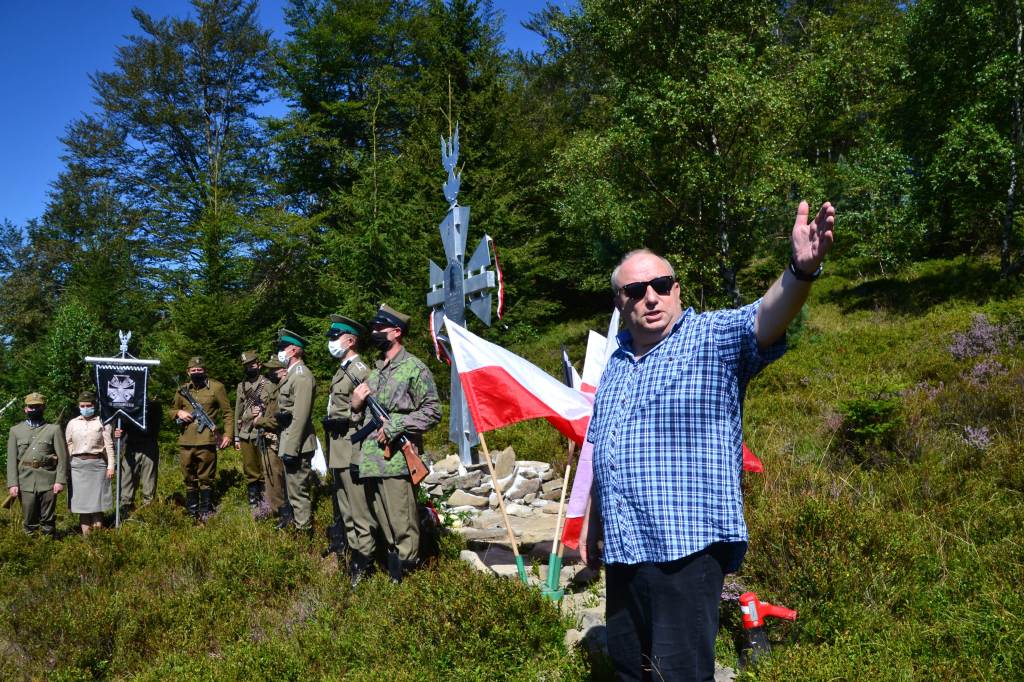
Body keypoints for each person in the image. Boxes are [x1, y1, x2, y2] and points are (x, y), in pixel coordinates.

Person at [583, 201, 835, 681]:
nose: (651, 297)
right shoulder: (615, 364)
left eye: (661, 285)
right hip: (625, 548)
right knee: (629, 668)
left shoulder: (710, 337)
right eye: (635, 290)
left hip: (686, 546)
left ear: (676, 289)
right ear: (619, 302)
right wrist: (592, 524)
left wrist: (801, 271)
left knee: (679, 673)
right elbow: (605, 448)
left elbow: (764, 318)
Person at [351, 304, 441, 583]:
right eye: (374, 328)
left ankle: (408, 578)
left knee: (403, 523)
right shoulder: (375, 371)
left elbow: (433, 411)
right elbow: (365, 417)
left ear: (396, 332)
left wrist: (397, 424)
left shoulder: (414, 368)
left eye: (380, 328)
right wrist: (356, 405)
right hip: (372, 461)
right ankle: (395, 575)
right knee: (385, 523)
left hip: (398, 460)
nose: (375, 332)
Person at [321, 314, 372, 581]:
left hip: (352, 447)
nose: (331, 342)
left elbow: (369, 416)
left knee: (358, 509)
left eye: (335, 337)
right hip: (337, 448)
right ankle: (354, 555)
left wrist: (350, 415)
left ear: (350, 341)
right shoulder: (342, 370)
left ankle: (365, 559)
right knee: (345, 508)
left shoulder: (360, 370)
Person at [169, 356, 233, 518]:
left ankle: (205, 513)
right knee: (188, 478)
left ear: (205, 371)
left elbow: (227, 413)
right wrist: (178, 412)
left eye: (200, 369)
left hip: (206, 440)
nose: (196, 372)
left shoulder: (217, 388)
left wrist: (228, 434)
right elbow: (171, 410)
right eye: (193, 370)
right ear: (188, 372)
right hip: (186, 441)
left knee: (206, 479)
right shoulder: (182, 390)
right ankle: (192, 513)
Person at [5, 392, 68, 536]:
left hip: (48, 479)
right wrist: (13, 484)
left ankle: (48, 544)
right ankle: (30, 544)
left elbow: (62, 458)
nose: (34, 409)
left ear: (43, 408)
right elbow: (12, 460)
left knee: (48, 519)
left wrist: (59, 481)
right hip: (25, 480)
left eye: (37, 407)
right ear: (25, 409)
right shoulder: (15, 431)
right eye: (31, 407)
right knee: (29, 518)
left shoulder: (54, 429)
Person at [275, 329, 318, 533]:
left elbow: (300, 417)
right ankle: (299, 527)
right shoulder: (291, 374)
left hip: (298, 444)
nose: (279, 353)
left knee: (298, 493)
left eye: (282, 348)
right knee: (292, 491)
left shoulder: (301, 376)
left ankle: (304, 534)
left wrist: (291, 449)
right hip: (289, 440)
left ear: (293, 350)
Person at [65, 391, 115, 535]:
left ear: (94, 405)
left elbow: (109, 445)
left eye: (88, 405)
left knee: (97, 504)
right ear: (79, 406)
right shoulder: (72, 423)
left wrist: (111, 466)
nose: (85, 408)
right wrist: (70, 462)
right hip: (78, 467)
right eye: (82, 406)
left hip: (98, 465)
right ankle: (86, 538)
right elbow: (68, 443)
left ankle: (97, 537)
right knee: (82, 505)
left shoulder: (103, 422)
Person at [253, 355, 290, 522]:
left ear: (282, 370)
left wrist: (259, 421)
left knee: (276, 478)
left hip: (276, 439)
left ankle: (281, 514)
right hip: (269, 439)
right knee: (270, 478)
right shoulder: (275, 387)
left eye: (273, 370)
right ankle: (277, 512)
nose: (270, 373)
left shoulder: (284, 388)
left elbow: (278, 419)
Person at [234, 350, 271, 510]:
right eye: (247, 366)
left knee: (264, 467)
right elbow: (237, 412)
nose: (250, 368)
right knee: (249, 467)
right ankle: (253, 500)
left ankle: (265, 500)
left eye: (252, 365)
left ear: (259, 365)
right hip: (246, 433)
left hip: (262, 432)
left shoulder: (268, 384)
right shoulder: (242, 386)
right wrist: (236, 437)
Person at [114, 399, 161, 513]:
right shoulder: (126, 406)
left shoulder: (153, 406)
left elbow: (155, 426)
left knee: (149, 482)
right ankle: (125, 510)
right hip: (131, 447)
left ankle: (149, 511)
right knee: (127, 480)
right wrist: (118, 431)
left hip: (149, 446)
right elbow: (121, 426)